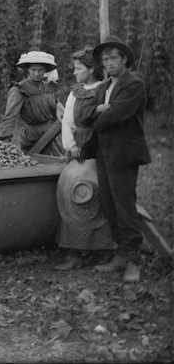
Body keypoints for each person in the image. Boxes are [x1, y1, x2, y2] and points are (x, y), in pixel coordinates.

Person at [82, 35, 151, 283]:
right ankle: (121, 254)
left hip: (124, 153)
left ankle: (133, 260)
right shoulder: (103, 87)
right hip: (103, 152)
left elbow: (117, 115)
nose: (108, 63)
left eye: (113, 58)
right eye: (104, 59)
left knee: (124, 206)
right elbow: (83, 115)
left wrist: (97, 115)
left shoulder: (134, 84)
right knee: (109, 205)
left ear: (124, 59)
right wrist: (97, 111)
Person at [54, 47, 115, 271]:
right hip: (79, 149)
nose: (75, 72)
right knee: (74, 194)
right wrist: (71, 145)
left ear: (91, 69)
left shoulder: (105, 89)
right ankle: (75, 252)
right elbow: (68, 121)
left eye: (79, 68)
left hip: (100, 149)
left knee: (97, 196)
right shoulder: (75, 92)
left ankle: (101, 252)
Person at [0, 50, 65, 156]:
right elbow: (10, 117)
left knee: (59, 165)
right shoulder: (19, 89)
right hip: (33, 137)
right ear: (28, 69)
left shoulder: (49, 87)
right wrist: (3, 143)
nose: (37, 74)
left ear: (46, 70)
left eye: (40, 70)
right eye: (33, 70)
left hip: (53, 134)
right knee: (34, 166)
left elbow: (57, 108)